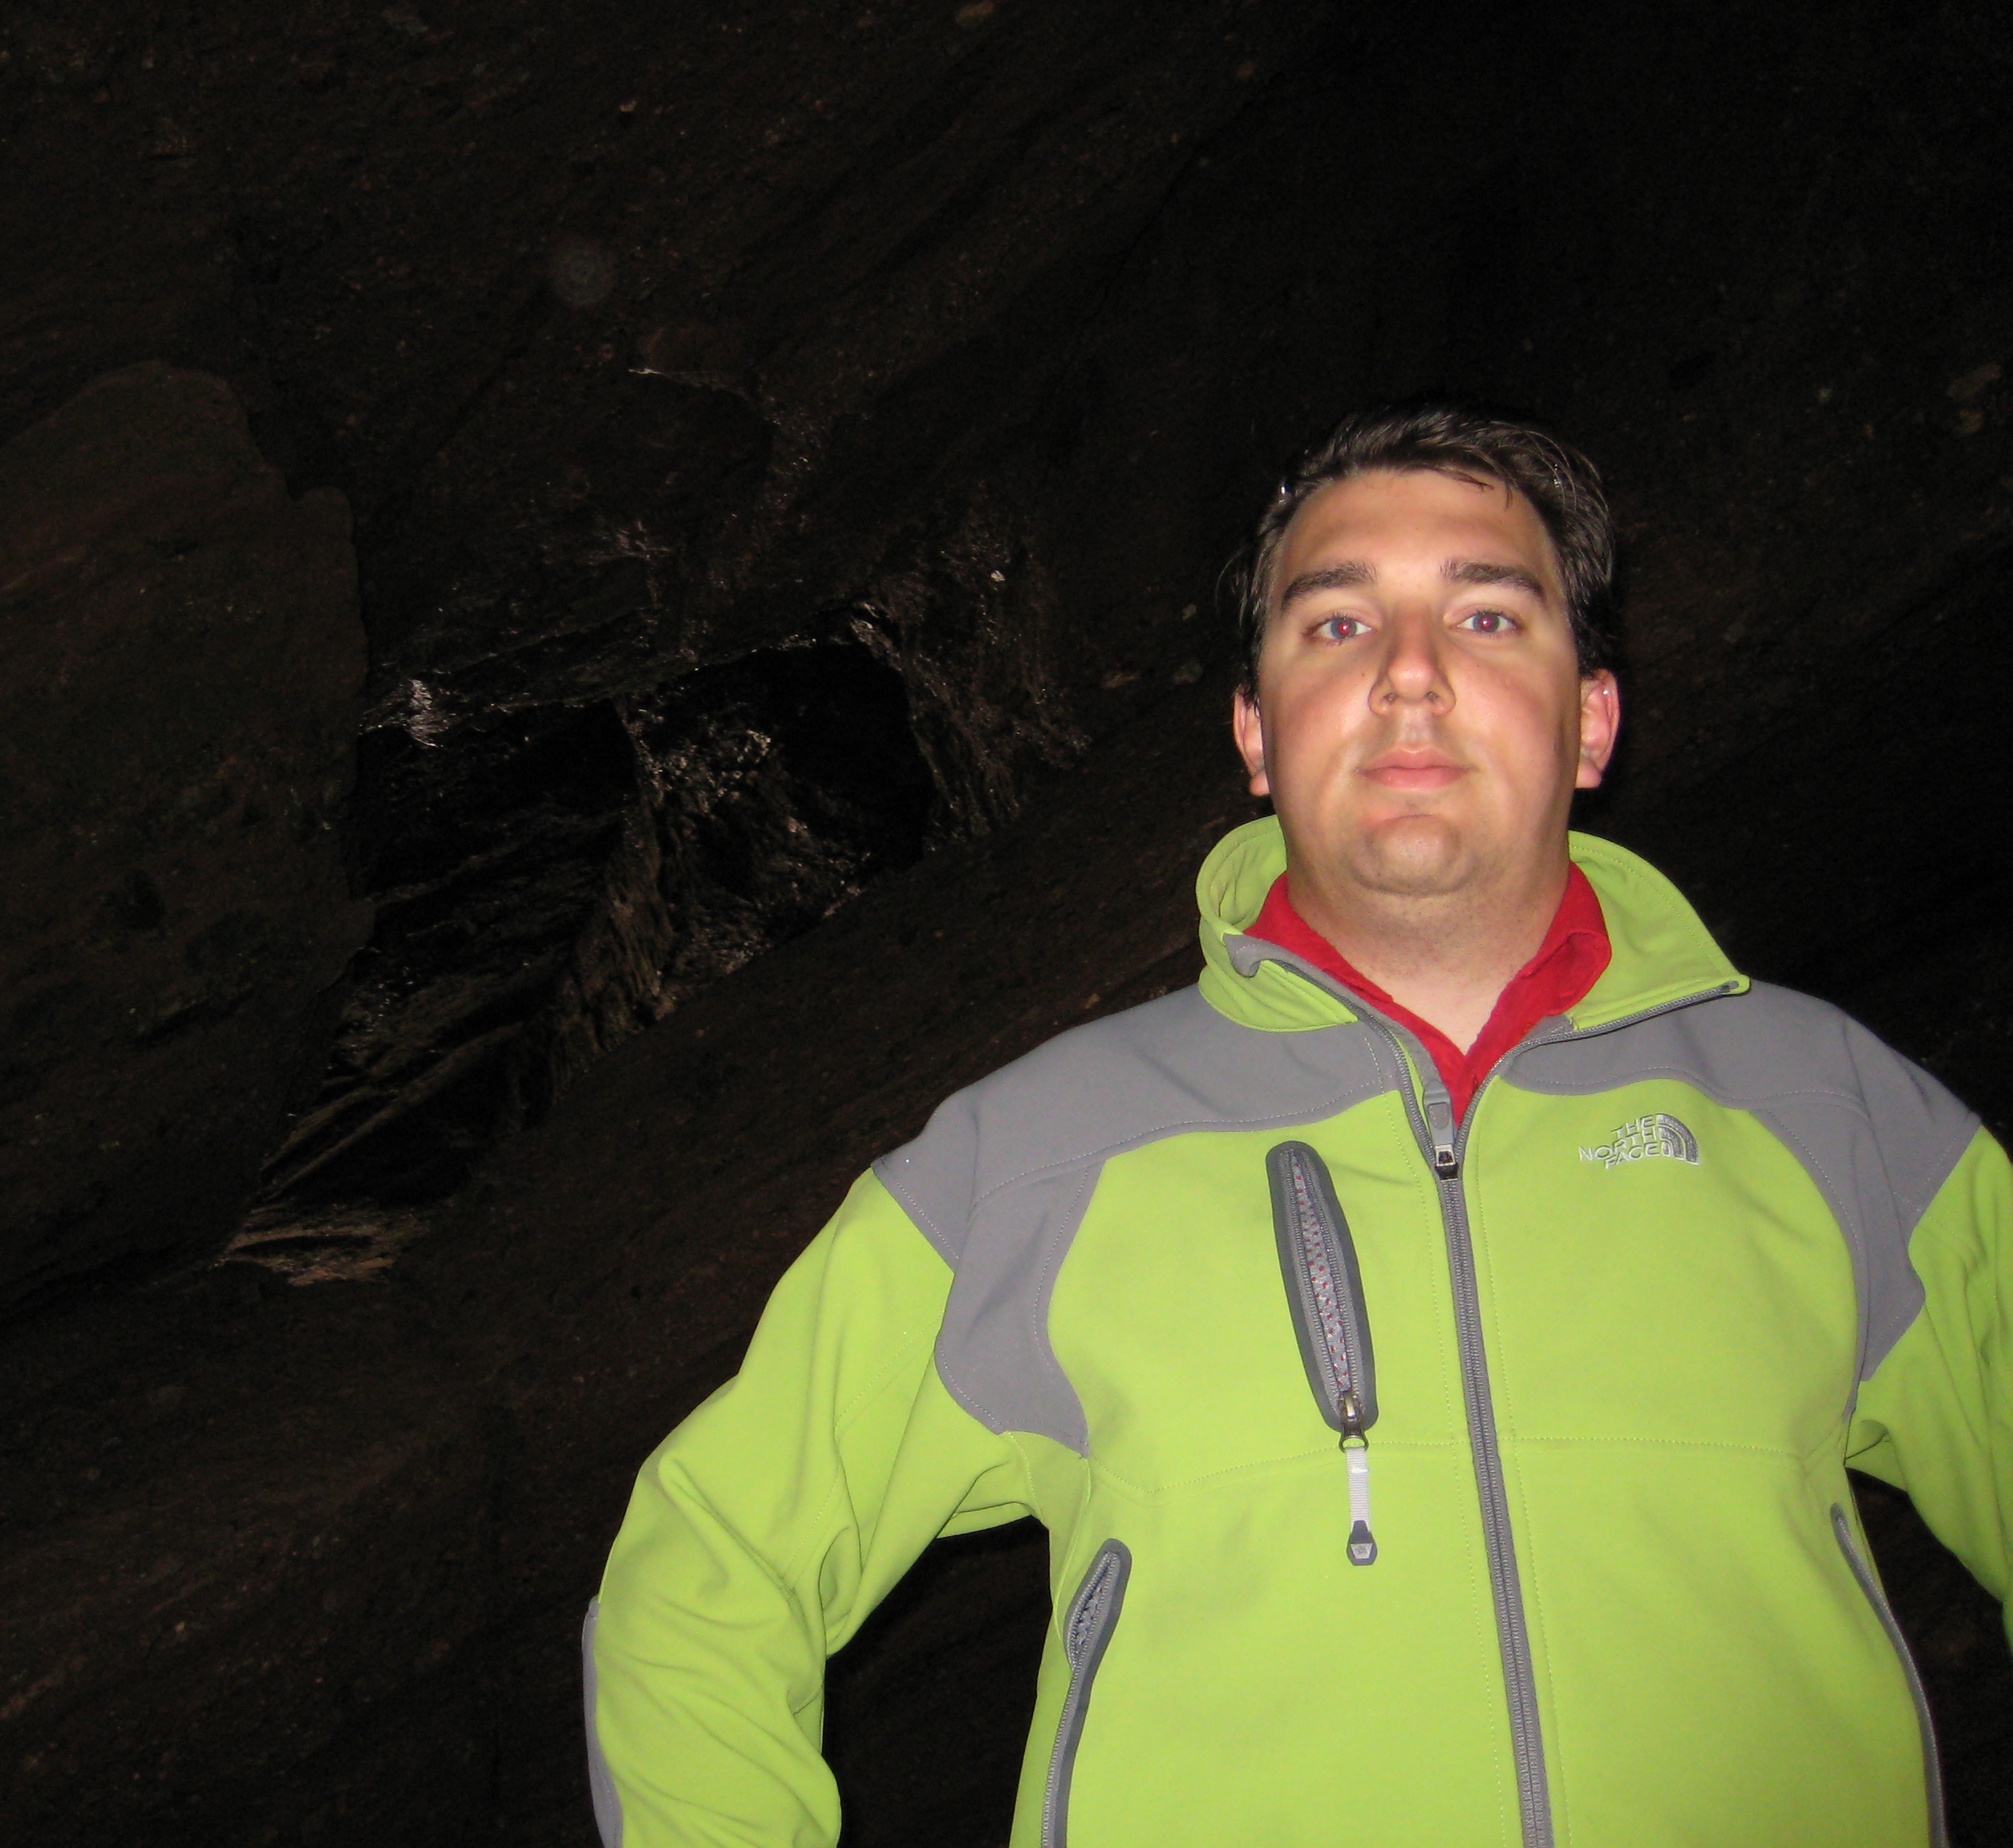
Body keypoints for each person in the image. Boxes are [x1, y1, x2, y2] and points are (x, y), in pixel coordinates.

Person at [581, 402, 2011, 1846]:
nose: (1410, 674)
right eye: (1337, 625)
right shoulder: (1032, 1161)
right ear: (1256, 735)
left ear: (1591, 722)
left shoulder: (1827, 1109)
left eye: (1488, 617)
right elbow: (711, 1567)